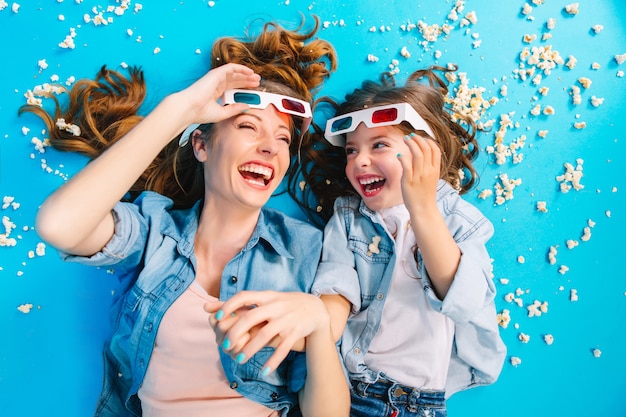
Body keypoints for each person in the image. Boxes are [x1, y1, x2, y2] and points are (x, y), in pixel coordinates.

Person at [20, 18, 349, 417]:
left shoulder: (309, 249)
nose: (270, 148)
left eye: (283, 139)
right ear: (201, 145)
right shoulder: (154, 233)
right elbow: (59, 225)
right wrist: (180, 110)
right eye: (249, 127)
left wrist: (317, 326)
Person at [303, 65, 507, 416]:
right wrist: (310, 328)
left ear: (423, 150)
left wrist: (423, 207)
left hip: (421, 405)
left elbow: (466, 301)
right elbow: (335, 293)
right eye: (351, 150)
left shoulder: (458, 221)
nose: (360, 161)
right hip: (355, 390)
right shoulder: (348, 219)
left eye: (379, 144)